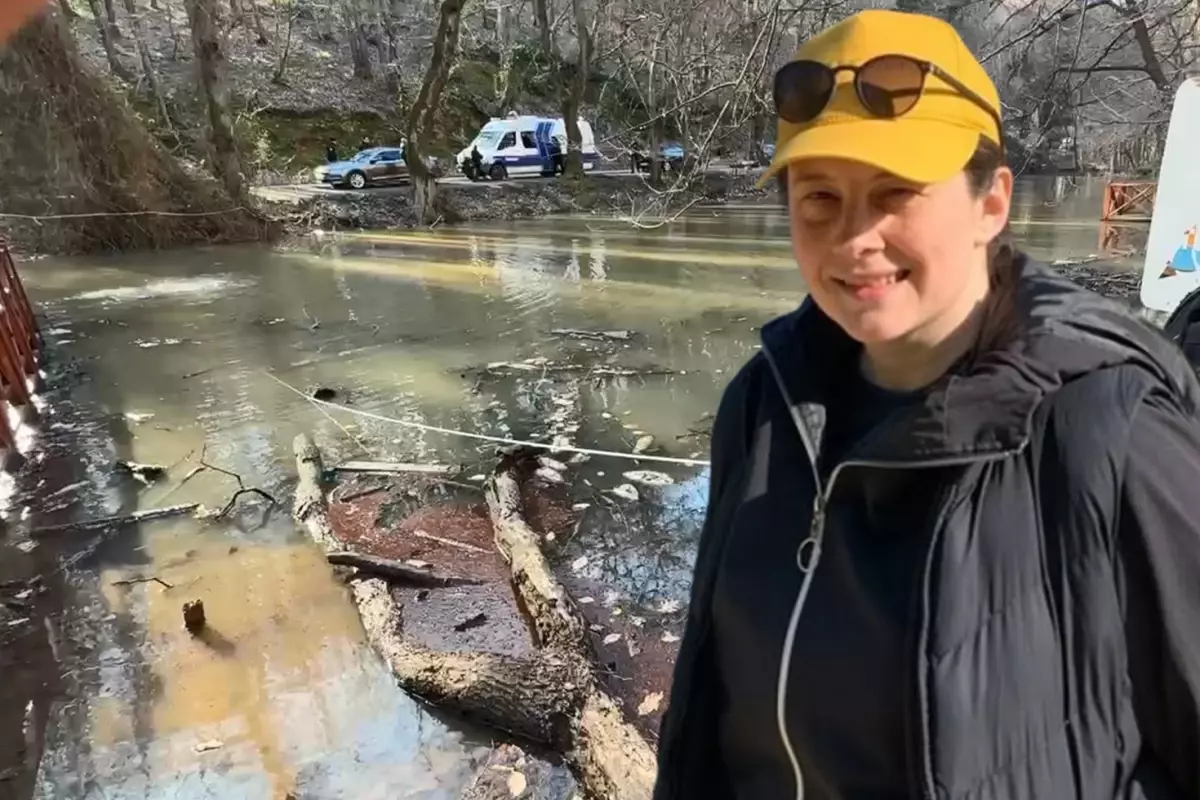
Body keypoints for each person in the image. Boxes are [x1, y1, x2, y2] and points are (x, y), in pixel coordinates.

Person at [654, 9, 1200, 800]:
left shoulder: (1114, 432)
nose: (855, 239)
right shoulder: (765, 406)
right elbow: (709, 714)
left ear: (992, 203)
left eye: (896, 192)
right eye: (820, 197)